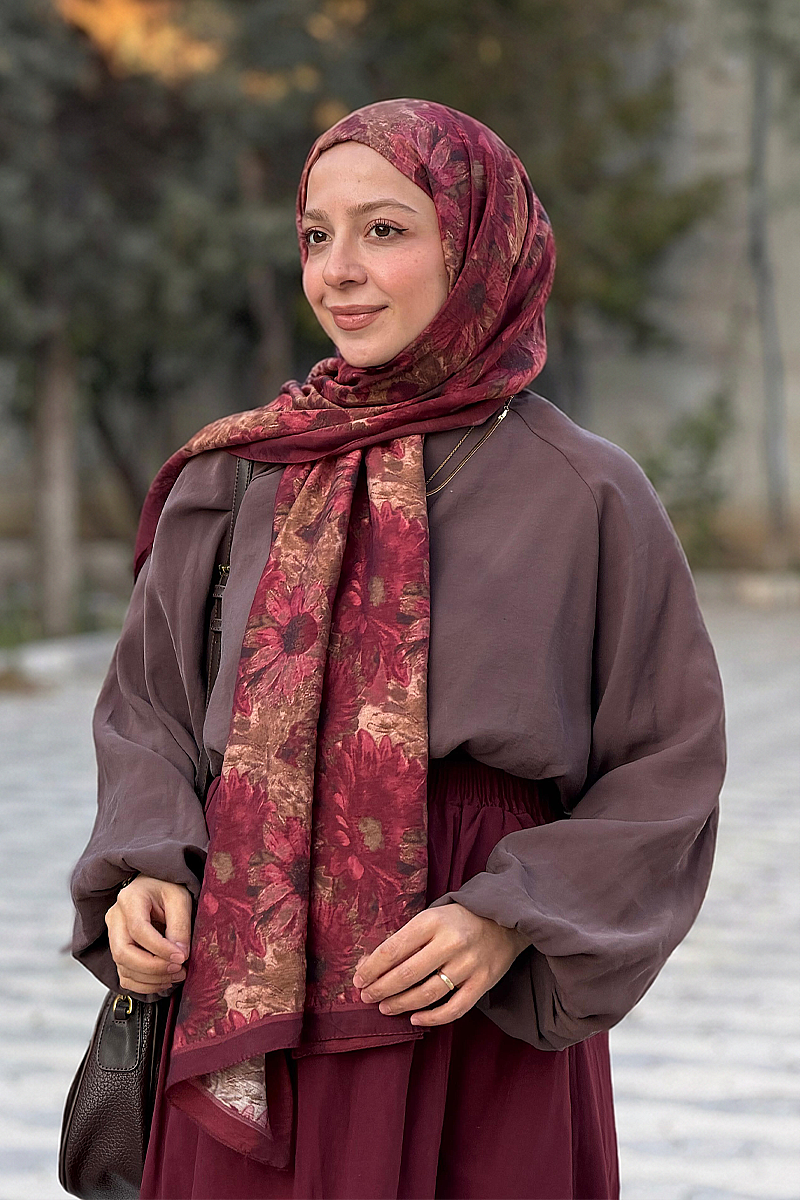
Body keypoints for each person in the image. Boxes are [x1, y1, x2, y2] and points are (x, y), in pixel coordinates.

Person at [69, 98, 726, 1200]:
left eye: (384, 230)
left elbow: (670, 763)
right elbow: (147, 710)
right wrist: (143, 866)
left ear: (477, 246)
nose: (339, 271)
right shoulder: (237, 474)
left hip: (459, 987)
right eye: (315, 235)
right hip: (242, 978)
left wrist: (511, 916)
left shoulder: (585, 493)